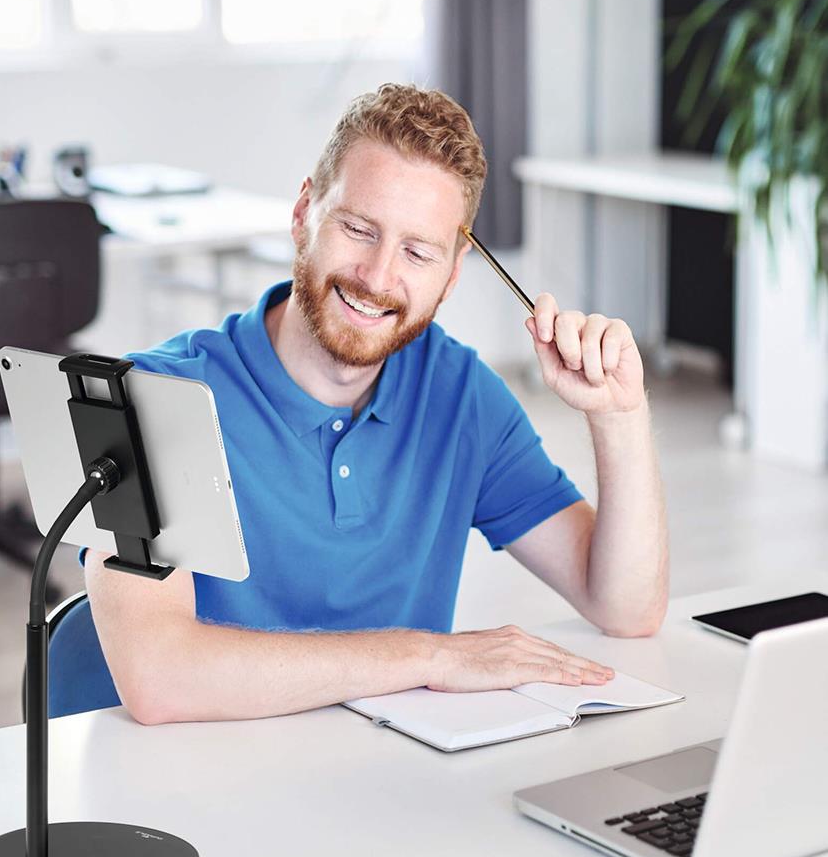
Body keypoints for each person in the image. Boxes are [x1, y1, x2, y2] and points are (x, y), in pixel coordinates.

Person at [85, 84, 668, 725]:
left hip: (384, 787)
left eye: (418, 252)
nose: (378, 276)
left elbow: (626, 606)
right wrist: (429, 657)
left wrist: (619, 415)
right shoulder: (148, 400)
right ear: (305, 211)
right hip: (191, 795)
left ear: (451, 274)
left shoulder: (461, 395)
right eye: (359, 229)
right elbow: (159, 677)